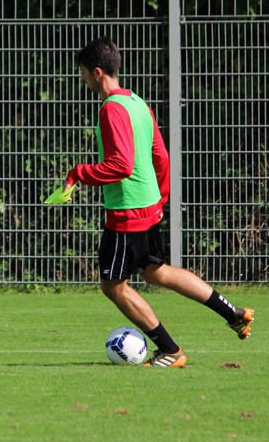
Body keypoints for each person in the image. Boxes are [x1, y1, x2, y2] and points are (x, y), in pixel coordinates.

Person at [64, 36, 254, 367]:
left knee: (113, 286)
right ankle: (233, 314)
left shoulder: (111, 109)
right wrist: (161, 198)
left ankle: (170, 350)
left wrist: (79, 173)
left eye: (82, 72)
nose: (81, 79)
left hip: (127, 213)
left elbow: (121, 166)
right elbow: (160, 155)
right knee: (157, 272)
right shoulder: (137, 102)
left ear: (97, 72)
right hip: (148, 206)